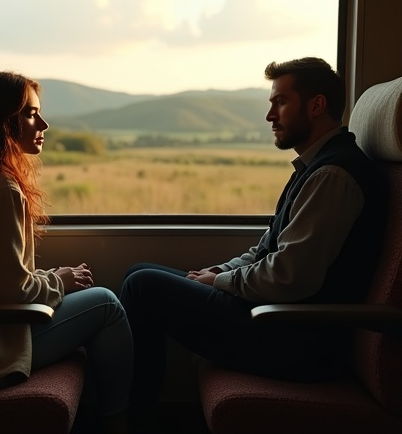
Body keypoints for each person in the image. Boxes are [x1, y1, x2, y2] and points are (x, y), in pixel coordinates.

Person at [119, 57, 388, 433]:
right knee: (139, 273)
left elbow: (290, 277)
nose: (270, 116)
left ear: (316, 105)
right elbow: (266, 249)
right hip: (279, 320)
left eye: (280, 102)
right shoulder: (316, 167)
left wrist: (220, 284)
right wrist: (219, 272)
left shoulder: (333, 175)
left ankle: (137, 423)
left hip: (298, 339)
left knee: (141, 286)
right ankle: (139, 418)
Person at [0, 71, 133, 433]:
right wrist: (60, 280)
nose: (44, 123)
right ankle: (119, 422)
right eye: (31, 114)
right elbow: (12, 292)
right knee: (107, 305)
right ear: (3, 122)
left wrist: (52, 280)